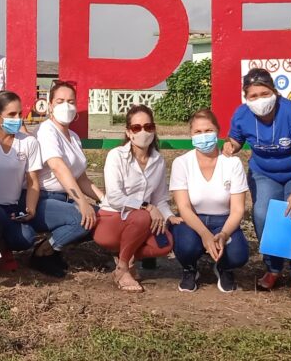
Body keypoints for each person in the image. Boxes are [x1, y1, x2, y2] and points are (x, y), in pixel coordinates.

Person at [223, 68, 291, 296]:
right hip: (265, 171)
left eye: (264, 93)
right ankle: (273, 268)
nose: (259, 100)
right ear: (246, 98)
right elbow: (236, 139)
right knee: (262, 214)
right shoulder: (242, 115)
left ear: (274, 91)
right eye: (253, 96)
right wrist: (230, 145)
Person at [95, 104, 176, 292]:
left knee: (166, 243)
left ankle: (127, 256)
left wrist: (169, 217)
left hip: (140, 223)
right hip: (111, 219)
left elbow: (160, 198)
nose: (143, 132)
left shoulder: (158, 160)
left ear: (154, 129)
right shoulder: (116, 156)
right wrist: (147, 207)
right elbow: (115, 197)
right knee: (142, 216)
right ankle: (123, 269)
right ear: (128, 132)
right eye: (136, 128)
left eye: (148, 127)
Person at [170, 109, 249, 293]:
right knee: (186, 247)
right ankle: (190, 269)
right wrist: (205, 235)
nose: (203, 136)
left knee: (239, 255)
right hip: (193, 221)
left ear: (218, 132)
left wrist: (223, 234)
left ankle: (223, 267)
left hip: (224, 220)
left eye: (208, 131)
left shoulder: (232, 163)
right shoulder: (181, 163)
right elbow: (184, 207)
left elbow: (237, 210)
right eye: (198, 132)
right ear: (191, 135)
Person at [0, 91, 48, 270]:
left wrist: (31, 209)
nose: (18, 119)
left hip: (12, 209)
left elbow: (33, 182)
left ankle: (0, 248)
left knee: (26, 238)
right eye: (12, 114)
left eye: (20, 114)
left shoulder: (29, 142)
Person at [34, 81, 102, 277]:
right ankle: (41, 253)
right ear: (50, 105)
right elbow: (58, 167)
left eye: (71, 101)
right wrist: (82, 202)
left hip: (65, 199)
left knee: (102, 216)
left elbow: (80, 177)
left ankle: (54, 249)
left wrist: (104, 200)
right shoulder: (47, 130)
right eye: (60, 101)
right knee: (82, 218)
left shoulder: (73, 136)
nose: (66, 106)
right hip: (44, 199)